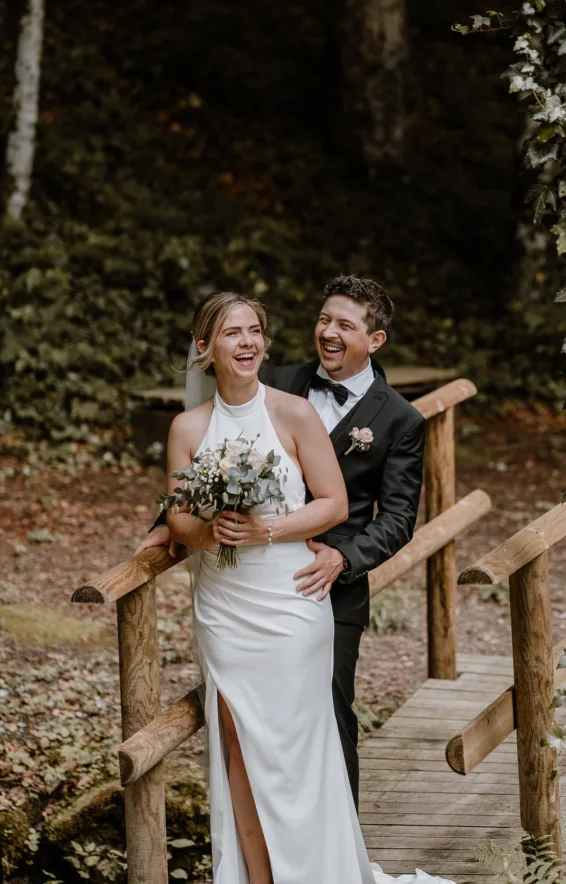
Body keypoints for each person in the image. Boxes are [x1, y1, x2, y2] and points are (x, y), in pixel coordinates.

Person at [157, 290, 452, 884]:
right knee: (238, 743)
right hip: (226, 606)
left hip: (311, 588)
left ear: (375, 340)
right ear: (205, 346)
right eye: (323, 319)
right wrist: (171, 530)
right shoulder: (244, 398)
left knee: (316, 738)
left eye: (345, 324)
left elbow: (384, 516)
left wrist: (331, 553)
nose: (247, 342)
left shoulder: (396, 417)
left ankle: (324, 866)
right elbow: (182, 507)